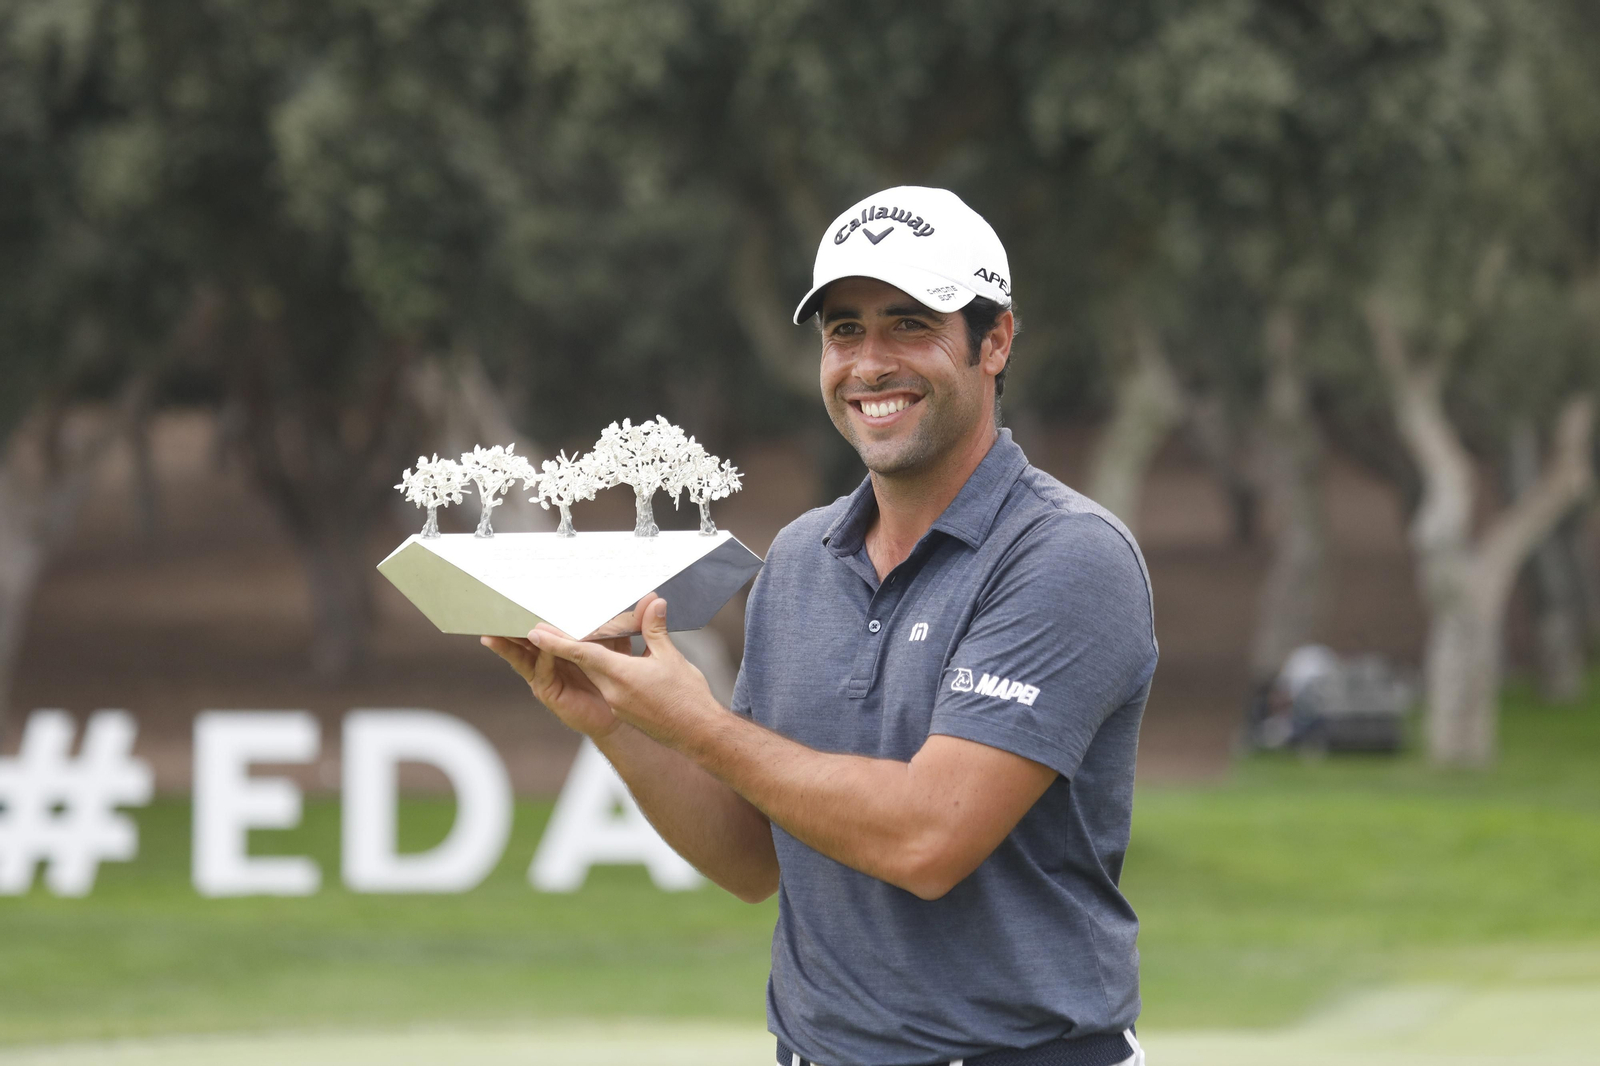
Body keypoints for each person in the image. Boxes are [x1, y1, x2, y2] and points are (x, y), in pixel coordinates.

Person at [483, 186, 1157, 1066]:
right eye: (844, 330)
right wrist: (616, 719)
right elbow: (752, 858)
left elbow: (928, 839)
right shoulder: (803, 557)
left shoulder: (1065, 556)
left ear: (994, 342)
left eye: (910, 325)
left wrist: (697, 722)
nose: (869, 364)